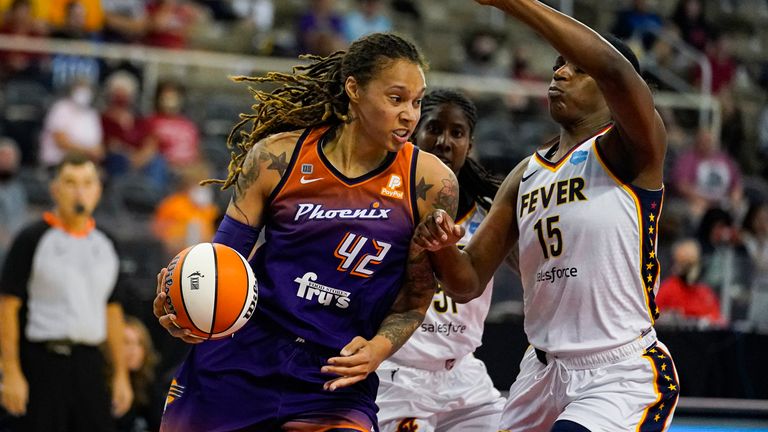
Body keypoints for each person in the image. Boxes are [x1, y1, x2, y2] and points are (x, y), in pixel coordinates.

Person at [151, 32, 457, 431]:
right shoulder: (277, 156)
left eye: (417, 102)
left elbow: (417, 296)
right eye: (396, 99)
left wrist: (380, 348)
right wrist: (185, 297)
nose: (410, 115)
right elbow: (224, 259)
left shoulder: (431, 182)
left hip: (334, 372)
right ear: (354, 90)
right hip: (241, 355)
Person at [413, 1, 680, 431]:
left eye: (577, 68)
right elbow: (467, 283)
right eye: (557, 65)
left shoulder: (629, 149)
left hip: (616, 370)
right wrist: (443, 249)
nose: (560, 73)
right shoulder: (524, 174)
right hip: (539, 372)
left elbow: (613, 69)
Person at [375, 89, 507, 431]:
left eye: (457, 133)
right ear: (414, 133)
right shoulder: (382, 199)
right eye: (434, 128)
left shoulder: (488, 211)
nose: (445, 142)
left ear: (470, 145)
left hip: (464, 376)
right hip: (397, 374)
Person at [0, 152, 132, 432]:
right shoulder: (32, 238)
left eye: (87, 183)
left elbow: (113, 310)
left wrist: (120, 374)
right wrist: (10, 372)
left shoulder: (107, 243)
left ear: (98, 190)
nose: (79, 191)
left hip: (90, 364)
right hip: (41, 363)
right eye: (70, 182)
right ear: (55, 189)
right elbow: (7, 306)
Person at [655, 238, 725, 326]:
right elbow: (654, 317)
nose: (689, 269)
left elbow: (719, 320)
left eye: (691, 263)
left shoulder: (705, 293)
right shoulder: (668, 289)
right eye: (685, 263)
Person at [116, 316, 163, 432]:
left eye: (139, 343)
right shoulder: (103, 385)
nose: (134, 350)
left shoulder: (148, 382)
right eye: (126, 342)